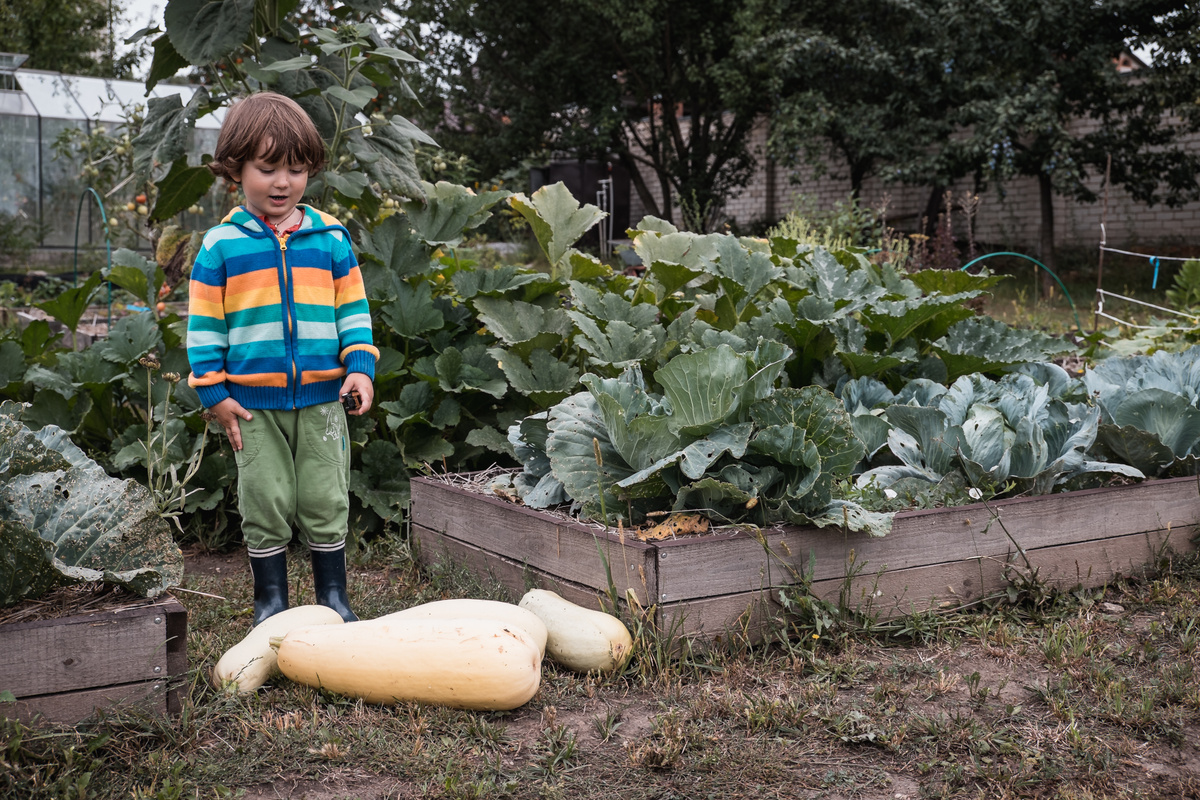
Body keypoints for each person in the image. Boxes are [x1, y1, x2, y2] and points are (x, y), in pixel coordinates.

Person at [186, 92, 377, 626]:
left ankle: (332, 597)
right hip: (251, 406)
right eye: (267, 168)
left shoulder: (331, 237)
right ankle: (270, 600)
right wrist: (214, 393)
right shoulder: (221, 245)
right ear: (236, 169)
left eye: (295, 169)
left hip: (322, 398)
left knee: (324, 495)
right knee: (265, 498)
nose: (281, 183)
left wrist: (360, 366)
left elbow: (353, 310)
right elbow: (204, 325)